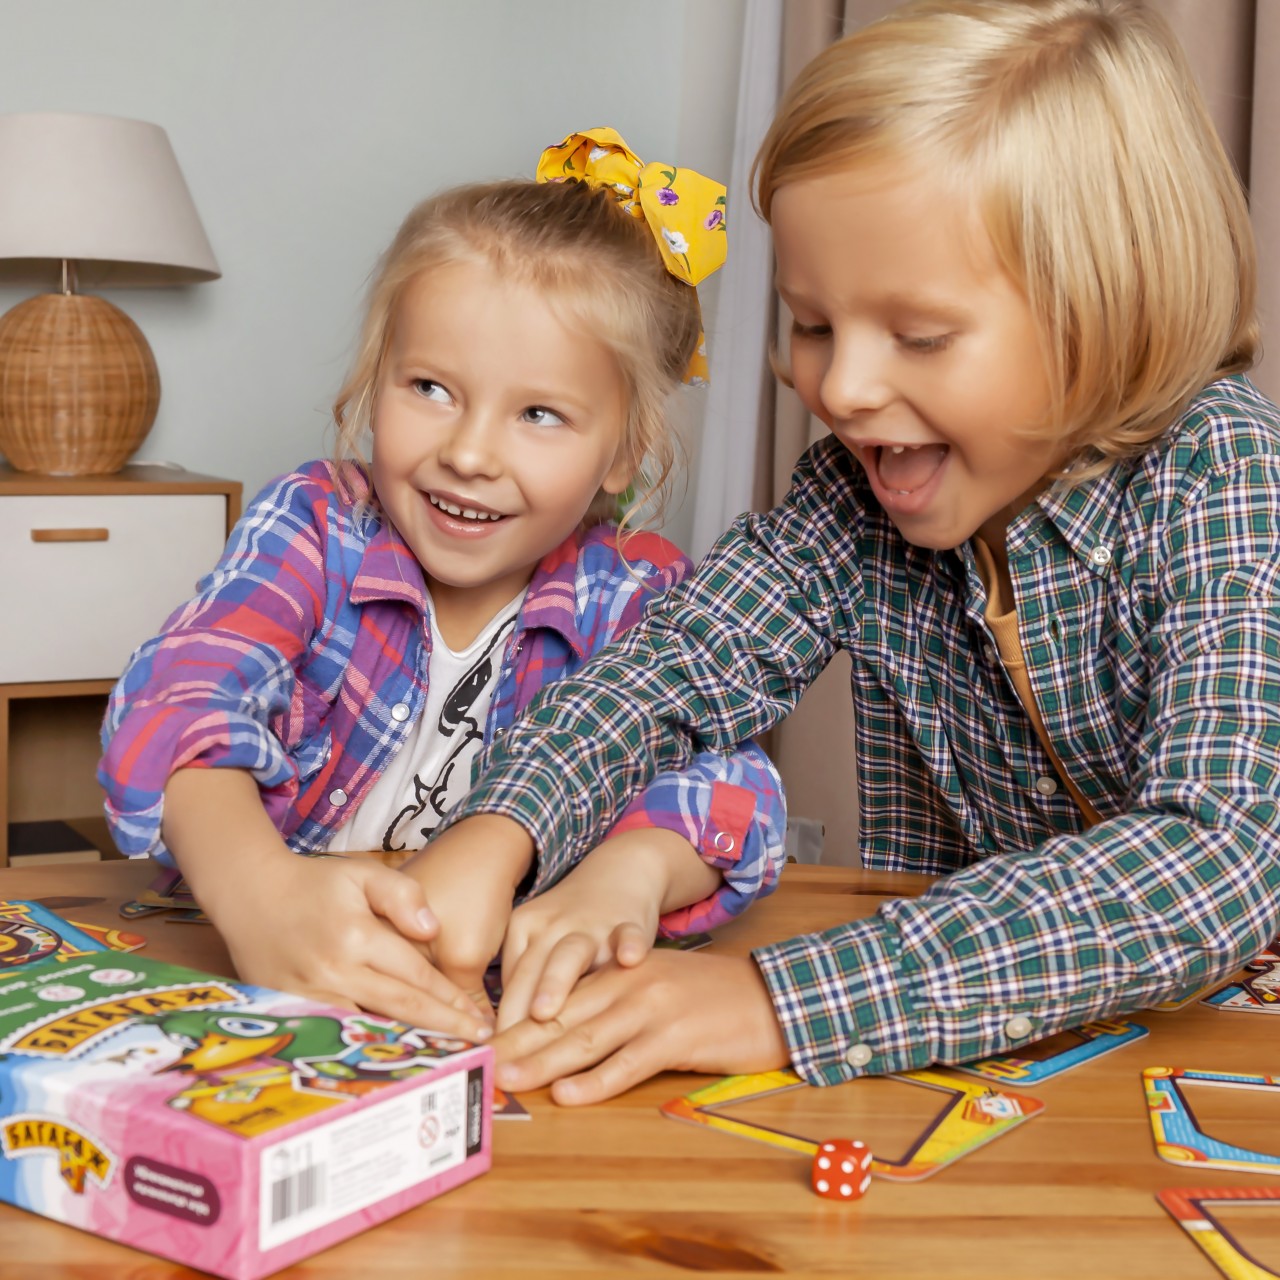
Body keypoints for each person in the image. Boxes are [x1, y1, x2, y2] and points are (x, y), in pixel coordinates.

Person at [426, 0, 1280, 1103]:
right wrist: (502, 830)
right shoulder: (853, 491)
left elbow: (1206, 867)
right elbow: (675, 666)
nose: (838, 389)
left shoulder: (1222, 473)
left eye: (917, 336)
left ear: (1105, 310)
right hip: (993, 1038)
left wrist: (775, 1001)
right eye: (812, 324)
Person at [98, 129, 785, 1044]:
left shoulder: (635, 592)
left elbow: (736, 791)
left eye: (539, 413)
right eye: (429, 387)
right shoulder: (315, 525)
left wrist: (627, 877)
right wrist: (259, 894)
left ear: (624, 453)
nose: (467, 453)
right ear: (370, 382)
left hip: (490, 1018)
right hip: (269, 991)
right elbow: (177, 695)